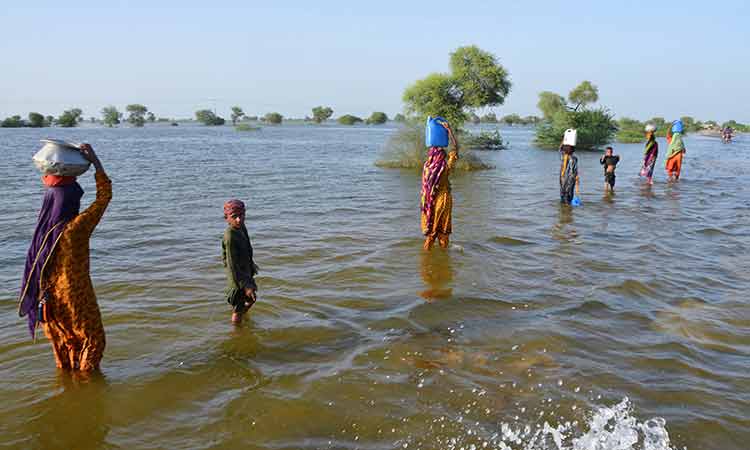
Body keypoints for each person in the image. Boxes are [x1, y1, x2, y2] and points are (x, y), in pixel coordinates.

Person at [17, 144, 112, 372]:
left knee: (65, 346)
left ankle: (68, 393)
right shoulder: (75, 228)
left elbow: (51, 181)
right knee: (93, 341)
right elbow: (104, 196)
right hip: (74, 297)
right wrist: (96, 161)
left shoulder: (43, 231)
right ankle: (87, 393)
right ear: (72, 202)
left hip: (47, 298)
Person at [421, 123, 460, 250]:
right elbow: (456, 148)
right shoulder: (445, 167)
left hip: (429, 202)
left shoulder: (427, 166)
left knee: (430, 233)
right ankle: (444, 261)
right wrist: (449, 130)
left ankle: (426, 264)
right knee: (443, 233)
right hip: (443, 200)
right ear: (442, 156)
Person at [222, 199, 258, 324]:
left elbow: (248, 246)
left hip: (245, 271)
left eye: (241, 215)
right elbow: (232, 265)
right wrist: (245, 285)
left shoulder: (242, 227)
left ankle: (241, 319)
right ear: (227, 218)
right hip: (237, 278)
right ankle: (236, 331)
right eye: (234, 217)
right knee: (238, 307)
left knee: (251, 300)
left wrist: (251, 265)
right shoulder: (230, 236)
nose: (239, 219)